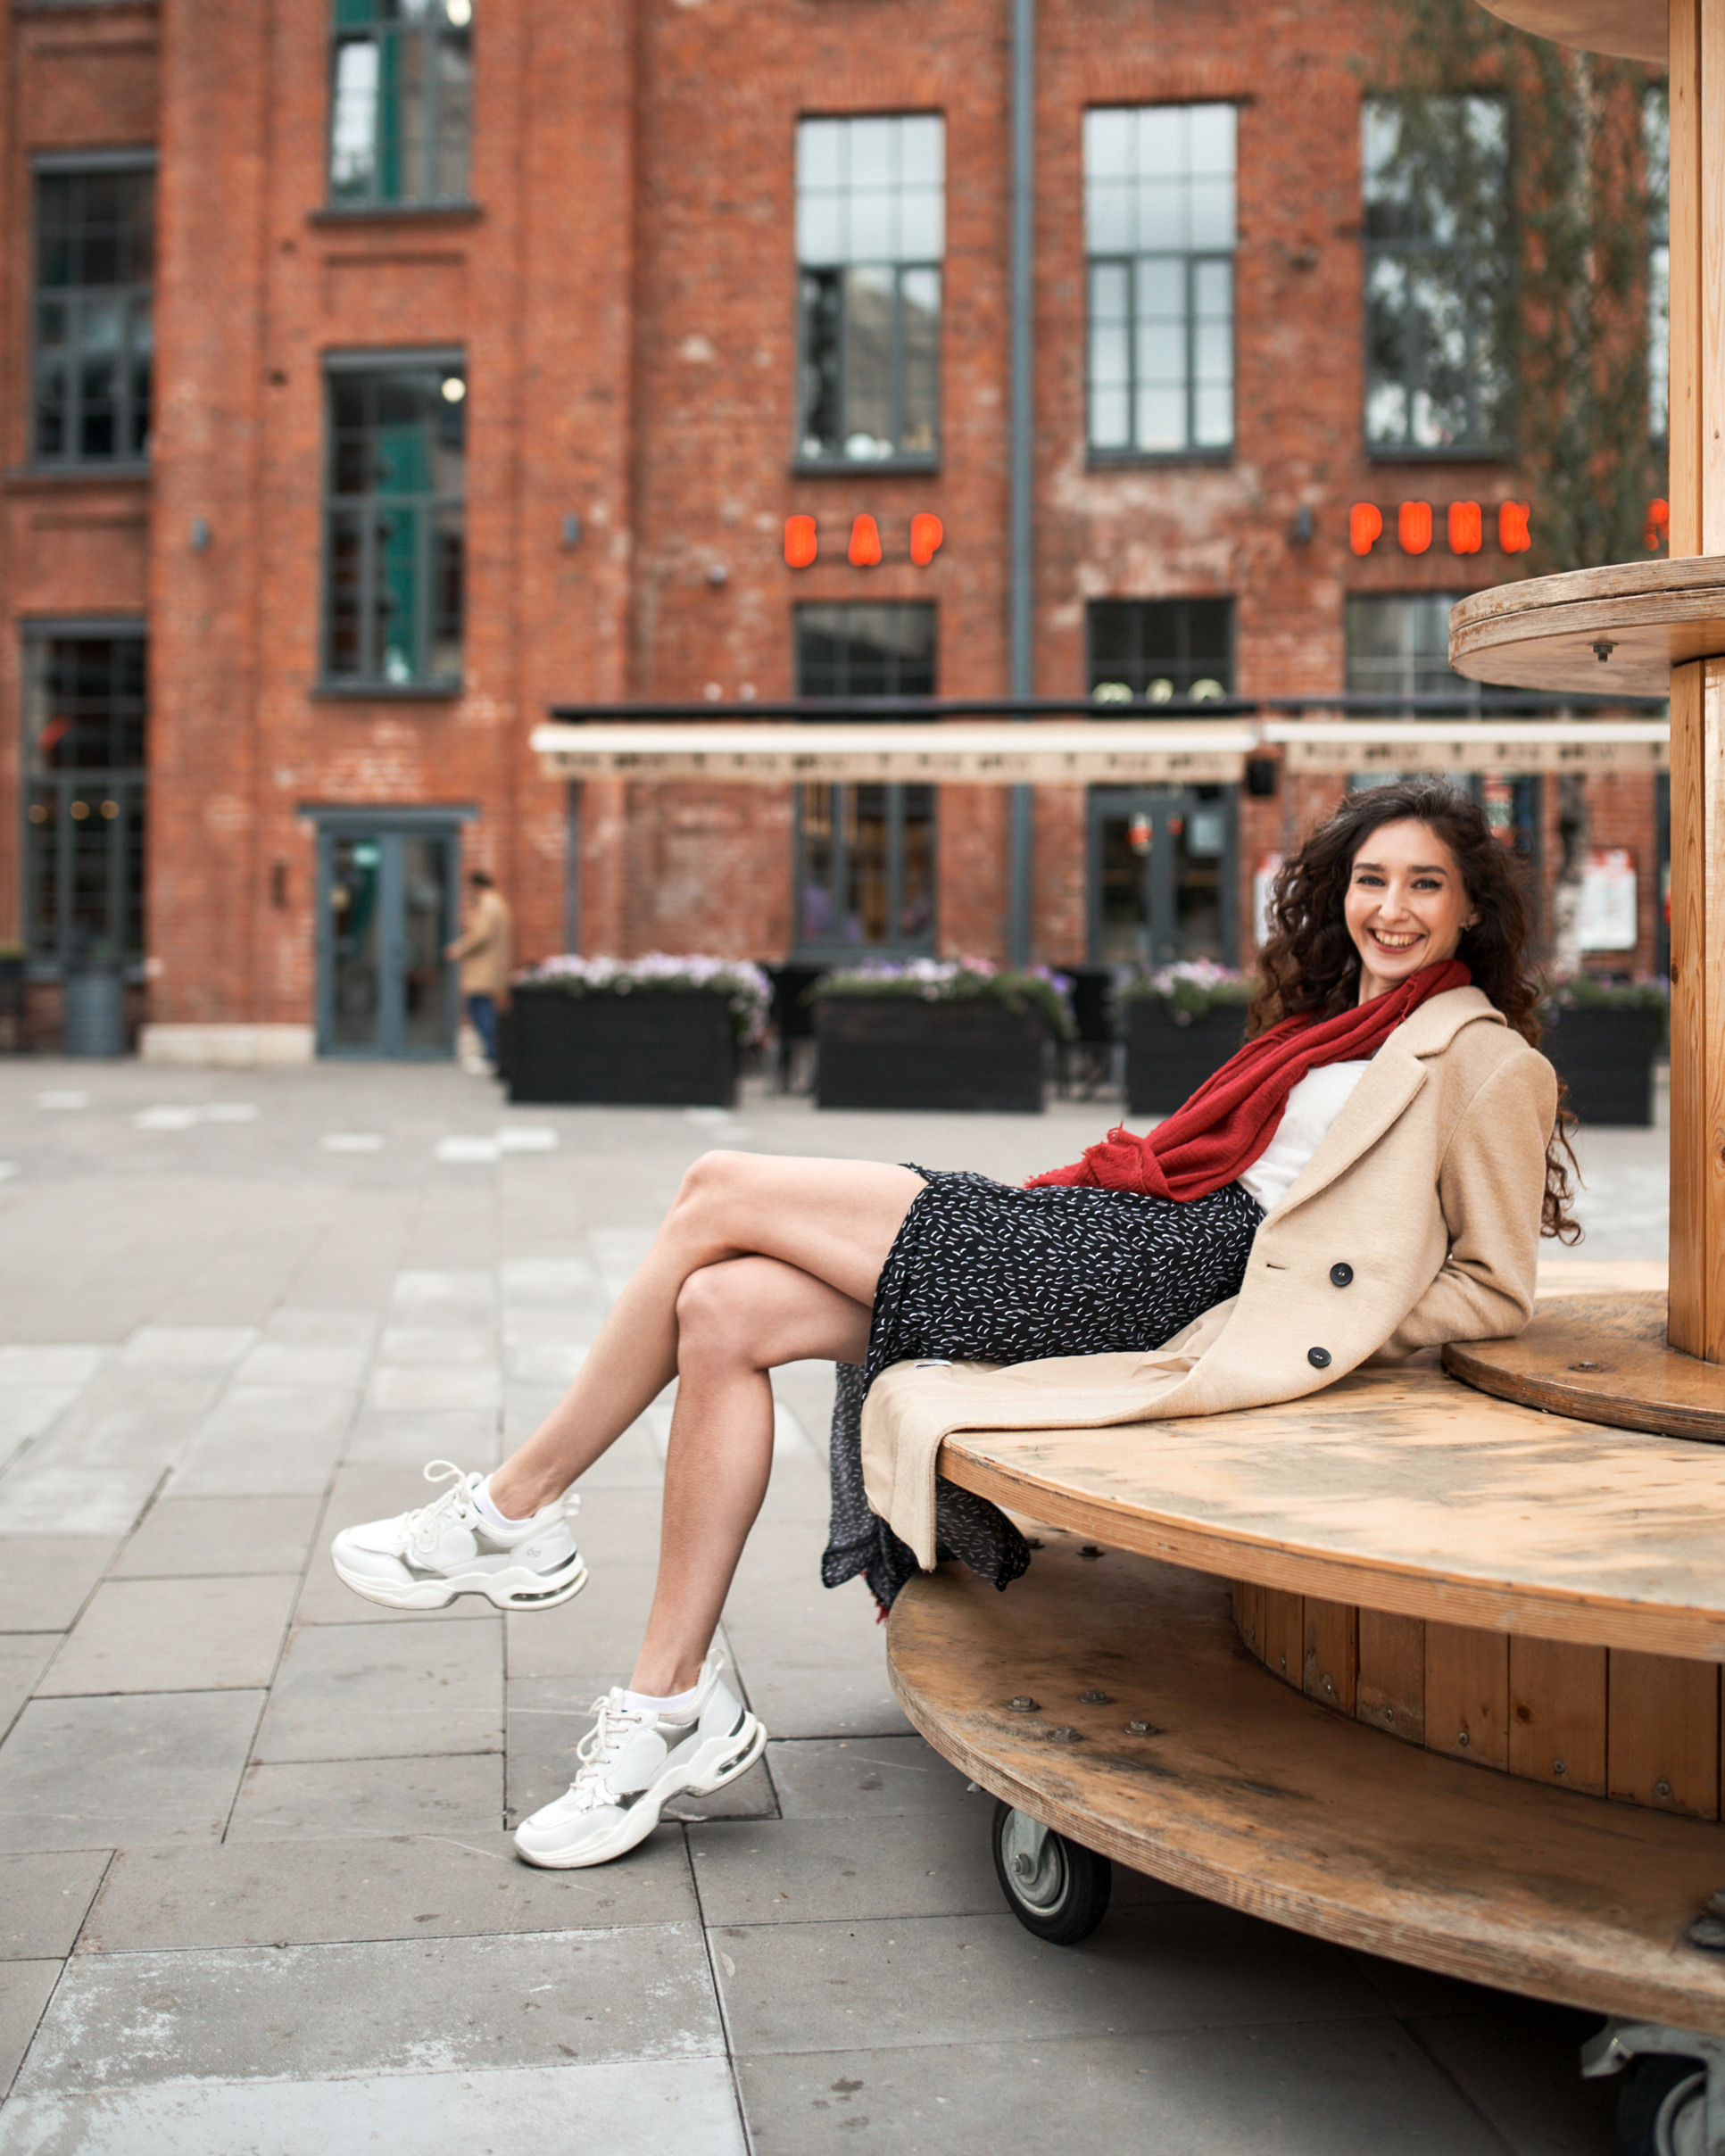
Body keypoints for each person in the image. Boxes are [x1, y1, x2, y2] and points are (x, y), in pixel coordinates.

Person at [333, 779, 1574, 1870]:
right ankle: (668, 1708)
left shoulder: (1484, 1062)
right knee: (719, 1308)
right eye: (1371, 880)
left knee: (716, 1186)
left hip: (1179, 1276)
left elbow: (1491, 1285)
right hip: (1116, 1240)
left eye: (1425, 885)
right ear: (1337, 893)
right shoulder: (1317, 1031)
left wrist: (1307, 1321)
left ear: (1473, 912)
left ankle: (516, 1513)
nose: (1392, 908)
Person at [446, 869, 513, 1064]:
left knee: (479, 1007)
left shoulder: (488, 904)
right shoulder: (497, 902)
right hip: (491, 966)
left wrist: (457, 949)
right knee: (481, 1006)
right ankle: (493, 1050)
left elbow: (480, 936)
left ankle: (493, 1052)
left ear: (476, 886)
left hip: (485, 967)